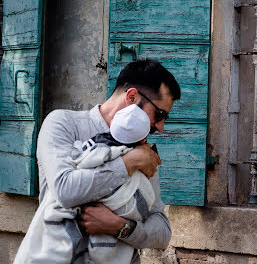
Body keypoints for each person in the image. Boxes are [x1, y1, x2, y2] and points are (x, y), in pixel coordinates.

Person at [13, 58, 181, 264]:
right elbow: (65, 190)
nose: (161, 126)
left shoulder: (143, 149)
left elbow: (162, 229)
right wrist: (128, 163)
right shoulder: (63, 123)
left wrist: (121, 227)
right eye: (160, 114)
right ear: (132, 97)